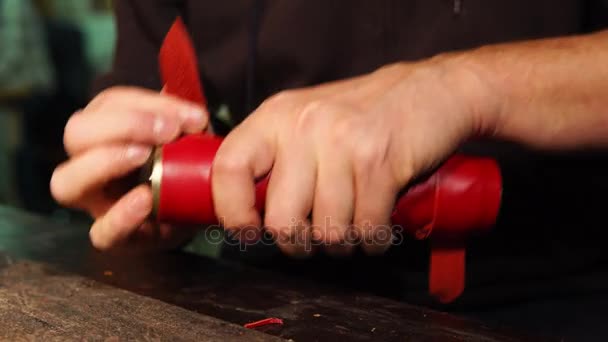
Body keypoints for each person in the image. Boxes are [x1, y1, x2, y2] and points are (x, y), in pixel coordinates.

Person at [50, 1, 608, 338]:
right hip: (264, 290)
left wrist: (468, 86)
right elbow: (156, 95)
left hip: (562, 289)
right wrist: (131, 177)